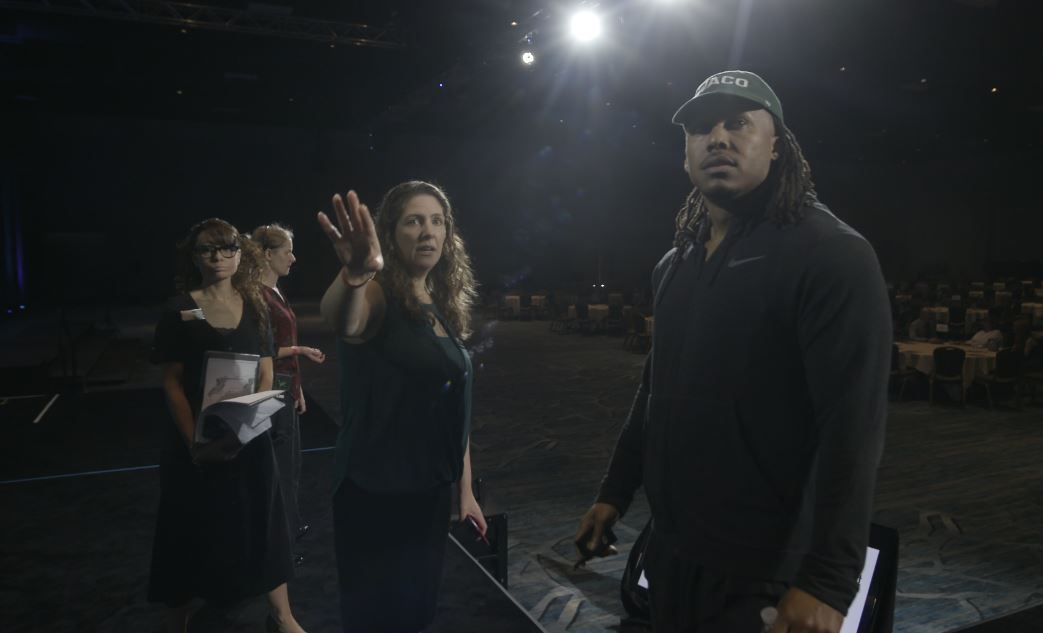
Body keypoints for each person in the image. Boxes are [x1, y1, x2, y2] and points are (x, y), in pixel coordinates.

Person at [575, 70, 891, 633]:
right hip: (674, 553)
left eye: (738, 123)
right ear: (686, 153)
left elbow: (852, 428)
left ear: (777, 145)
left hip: (766, 571)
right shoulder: (675, 265)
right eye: (701, 128)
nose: (717, 137)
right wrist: (614, 492)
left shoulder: (831, 255)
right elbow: (654, 391)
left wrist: (828, 580)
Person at [317, 181, 487, 633]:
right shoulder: (376, 294)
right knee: (376, 620)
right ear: (390, 234)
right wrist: (354, 275)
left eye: (437, 221)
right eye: (414, 221)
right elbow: (341, 319)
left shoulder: (438, 302)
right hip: (376, 492)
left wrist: (465, 491)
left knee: (416, 615)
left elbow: (454, 408)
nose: (428, 231)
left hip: (428, 492)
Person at [149, 218, 305, 633]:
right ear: (194, 257)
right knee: (185, 528)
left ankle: (283, 617)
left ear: (240, 253)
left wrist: (247, 426)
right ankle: (177, 621)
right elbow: (172, 382)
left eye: (226, 248)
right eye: (207, 249)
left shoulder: (255, 305)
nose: (218, 257)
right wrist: (194, 442)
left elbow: (267, 370)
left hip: (247, 440)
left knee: (263, 522)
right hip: (197, 444)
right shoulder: (179, 309)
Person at [251, 223, 327, 560]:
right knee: (279, 467)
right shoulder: (257, 296)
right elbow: (260, 350)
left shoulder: (275, 292)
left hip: (285, 386)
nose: (293, 258)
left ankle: (289, 526)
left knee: (291, 463)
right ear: (268, 254)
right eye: (288, 251)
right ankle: (279, 544)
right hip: (270, 388)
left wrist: (298, 389)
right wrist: (300, 351)